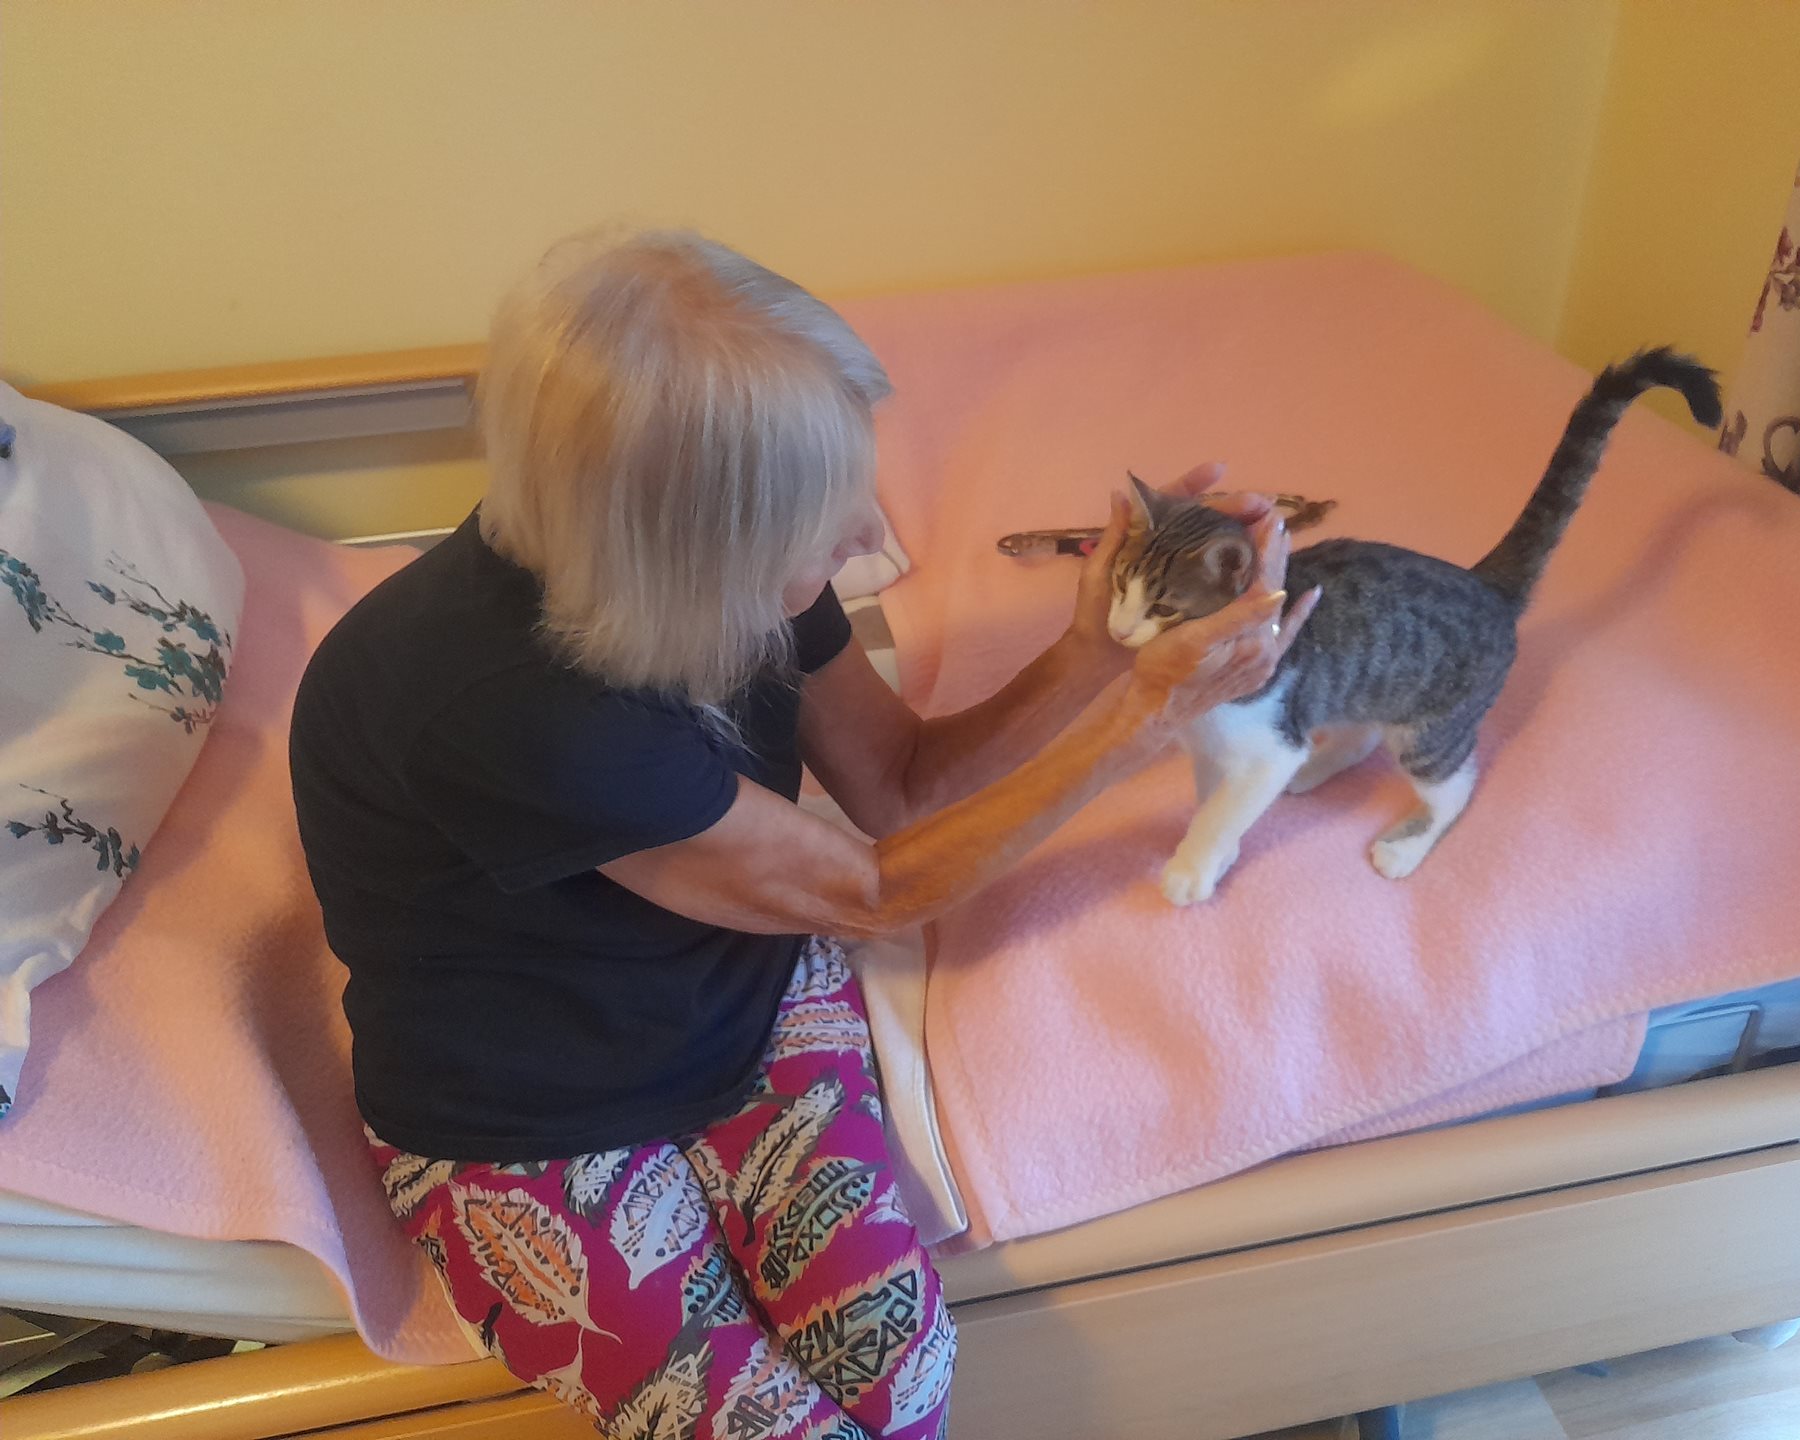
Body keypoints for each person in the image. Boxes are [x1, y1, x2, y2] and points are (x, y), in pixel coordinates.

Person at [288, 228, 1317, 1440]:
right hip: (519, 1112)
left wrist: (1096, 651)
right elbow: (876, 889)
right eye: (818, 526)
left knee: (902, 1376)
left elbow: (898, 789)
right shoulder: (523, 713)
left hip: (748, 989)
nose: (867, 538)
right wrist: (1144, 720)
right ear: (686, 552)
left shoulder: (708, 571)